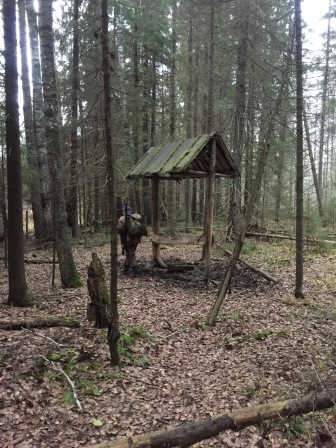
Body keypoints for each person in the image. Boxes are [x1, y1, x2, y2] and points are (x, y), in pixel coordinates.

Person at [117, 204, 147, 275]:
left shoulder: (122, 218)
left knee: (131, 255)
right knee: (129, 254)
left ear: (123, 211)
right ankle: (126, 269)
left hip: (127, 240)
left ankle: (135, 270)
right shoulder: (134, 217)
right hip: (136, 239)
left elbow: (119, 229)